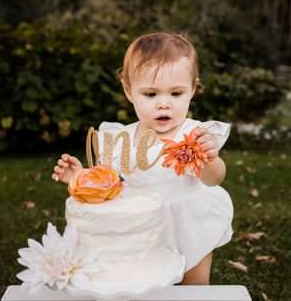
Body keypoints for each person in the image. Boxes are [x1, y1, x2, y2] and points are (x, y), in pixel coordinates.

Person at [52, 32, 233, 285]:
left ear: (192, 89)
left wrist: (209, 159)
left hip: (190, 220)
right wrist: (80, 177)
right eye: (150, 94)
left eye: (176, 93)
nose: (163, 104)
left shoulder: (194, 134)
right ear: (129, 91)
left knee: (194, 285)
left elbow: (215, 179)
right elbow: (108, 186)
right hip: (143, 229)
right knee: (147, 285)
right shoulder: (121, 140)